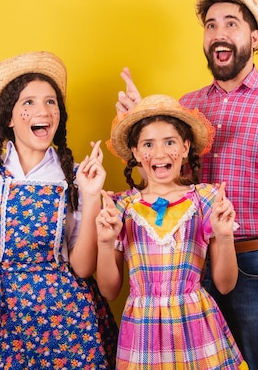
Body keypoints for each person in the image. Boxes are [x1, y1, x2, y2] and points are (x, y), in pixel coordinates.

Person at [115, 0, 258, 370]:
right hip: (184, 270)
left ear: (255, 36)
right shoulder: (188, 107)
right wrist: (143, 121)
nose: (218, 33)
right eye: (211, 25)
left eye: (231, 23)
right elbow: (163, 184)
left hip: (251, 266)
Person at [0, 51, 118, 370]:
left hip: (66, 315)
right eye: (29, 102)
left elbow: (82, 269)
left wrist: (91, 196)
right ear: (8, 118)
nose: (44, 110)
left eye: (51, 102)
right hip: (0, 314)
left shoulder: (78, 176)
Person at [95, 94, 246, 369]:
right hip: (143, 335)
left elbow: (225, 285)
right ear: (137, 153)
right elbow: (109, 290)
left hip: (196, 328)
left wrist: (224, 237)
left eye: (170, 142)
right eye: (149, 144)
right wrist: (105, 243)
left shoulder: (206, 200)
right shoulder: (121, 208)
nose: (160, 153)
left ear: (186, 147)